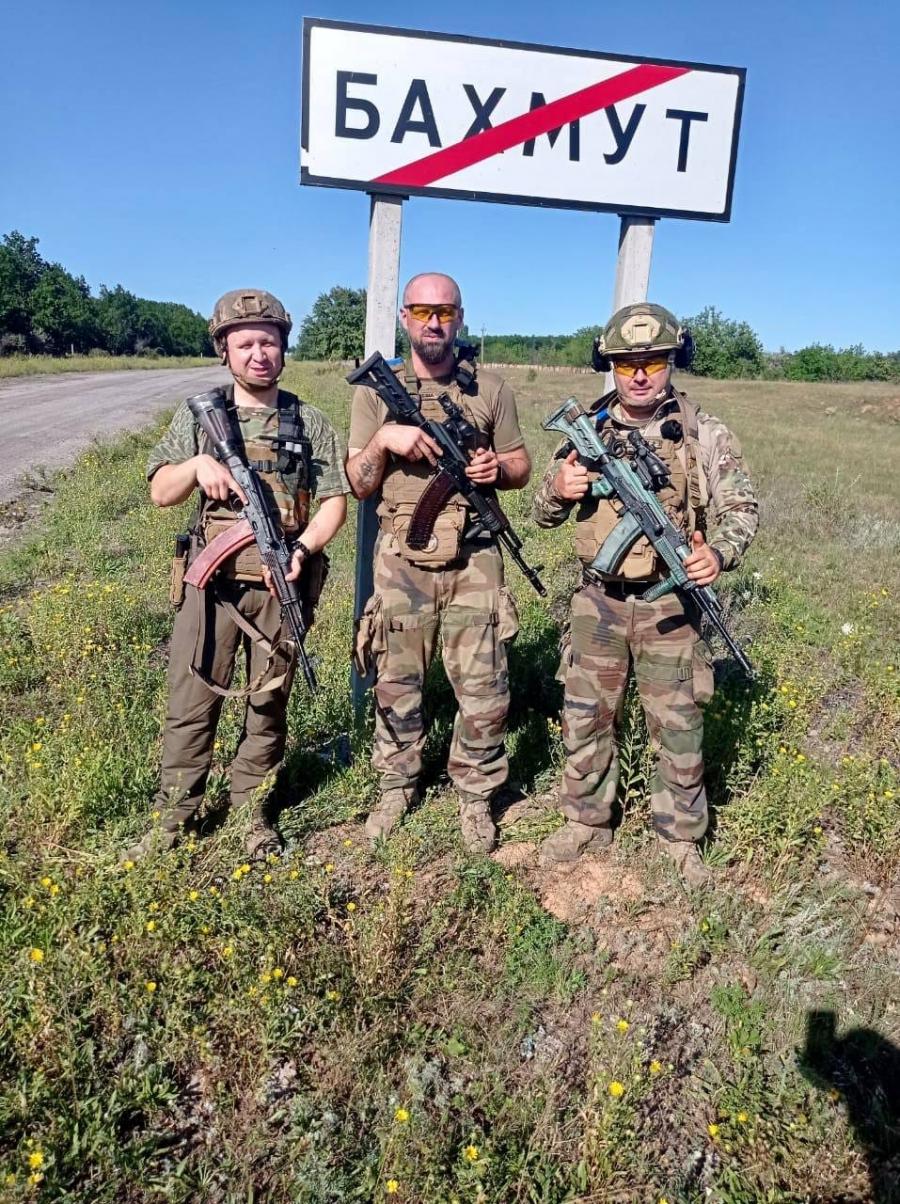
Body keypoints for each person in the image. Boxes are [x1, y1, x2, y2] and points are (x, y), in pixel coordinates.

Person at [531, 302, 758, 886]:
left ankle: (680, 835)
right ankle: (586, 819)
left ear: (672, 360)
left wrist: (719, 552)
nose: (638, 374)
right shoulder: (586, 430)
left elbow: (740, 506)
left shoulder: (703, 431)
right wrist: (560, 488)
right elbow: (541, 513)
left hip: (668, 604)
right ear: (610, 364)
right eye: (626, 362)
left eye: (653, 360)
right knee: (585, 716)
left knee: (678, 721)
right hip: (598, 599)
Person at [125, 289, 349, 862]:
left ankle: (253, 813)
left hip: (281, 583)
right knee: (191, 703)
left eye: (269, 342)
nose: (258, 354)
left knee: (268, 706)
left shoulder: (310, 420)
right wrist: (198, 465)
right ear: (224, 350)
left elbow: (333, 502)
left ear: (283, 349)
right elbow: (158, 492)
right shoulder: (200, 416)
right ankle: (174, 818)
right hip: (212, 587)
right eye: (245, 343)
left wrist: (302, 548)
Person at [348, 272, 531, 852]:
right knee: (396, 680)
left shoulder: (490, 390)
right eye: (423, 311)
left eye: (445, 312)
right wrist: (386, 441)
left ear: (459, 318)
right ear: (405, 317)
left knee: (485, 686)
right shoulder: (376, 393)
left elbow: (522, 465)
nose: (434, 322)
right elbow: (357, 483)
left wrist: (494, 471)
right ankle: (397, 784)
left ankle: (476, 796)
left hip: (476, 557)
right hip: (402, 558)